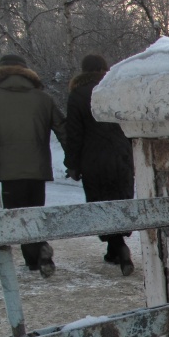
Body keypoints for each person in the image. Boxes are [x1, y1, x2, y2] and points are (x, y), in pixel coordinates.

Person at [65, 54, 135, 276]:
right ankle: (114, 250)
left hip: (94, 160)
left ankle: (120, 249)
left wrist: (72, 164)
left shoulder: (78, 95)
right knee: (119, 201)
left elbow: (74, 134)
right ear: (105, 69)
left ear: (83, 70)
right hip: (122, 156)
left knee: (101, 204)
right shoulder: (117, 90)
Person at [0, 54, 67, 276]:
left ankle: (36, 259)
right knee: (36, 212)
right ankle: (40, 253)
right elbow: (63, 130)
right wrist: (73, 160)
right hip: (38, 168)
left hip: (8, 170)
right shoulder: (43, 99)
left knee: (19, 217)